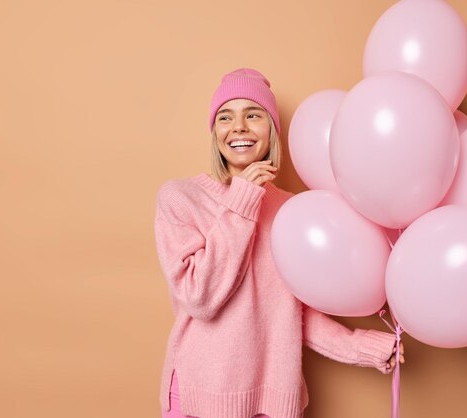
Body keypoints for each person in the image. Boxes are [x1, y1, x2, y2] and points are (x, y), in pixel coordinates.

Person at [154, 68, 405, 418]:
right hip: (199, 399)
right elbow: (200, 297)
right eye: (226, 117)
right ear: (215, 133)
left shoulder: (292, 210)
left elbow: (291, 315)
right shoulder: (180, 198)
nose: (238, 127)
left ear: (271, 129)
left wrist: (362, 347)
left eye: (253, 115)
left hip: (272, 401)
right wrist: (242, 201)